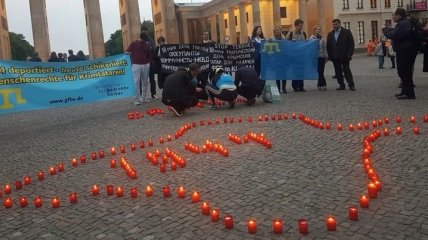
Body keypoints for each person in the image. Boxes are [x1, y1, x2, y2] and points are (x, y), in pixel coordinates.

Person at [383, 8, 418, 99]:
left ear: (399, 15)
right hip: (404, 50)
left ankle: (409, 93)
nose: (392, 17)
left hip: (406, 51)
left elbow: (394, 35)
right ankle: (405, 91)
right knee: (403, 72)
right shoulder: (403, 23)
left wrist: (385, 30)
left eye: (393, 15)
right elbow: (395, 33)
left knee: (405, 72)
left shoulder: (403, 24)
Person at [327, 18, 356, 91]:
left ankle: (351, 85)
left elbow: (351, 44)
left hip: (345, 56)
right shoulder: (330, 34)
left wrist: (349, 55)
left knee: (347, 71)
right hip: (335, 56)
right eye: (333, 24)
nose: (334, 26)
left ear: (339, 24)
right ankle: (341, 84)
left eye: (336, 24)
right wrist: (330, 56)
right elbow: (328, 46)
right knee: (338, 72)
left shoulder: (346, 32)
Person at [126, 32, 152, 105]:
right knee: (136, 82)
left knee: (145, 82)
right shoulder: (133, 43)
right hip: (136, 65)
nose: (145, 41)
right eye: (145, 39)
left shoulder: (146, 45)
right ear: (142, 38)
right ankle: (136, 99)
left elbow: (149, 55)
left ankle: (143, 98)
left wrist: (148, 63)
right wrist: (128, 53)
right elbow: (127, 51)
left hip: (145, 64)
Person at [285, 19, 307, 92]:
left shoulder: (303, 33)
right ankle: (295, 86)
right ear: (296, 26)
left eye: (302, 25)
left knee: (301, 70)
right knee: (294, 71)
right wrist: (291, 42)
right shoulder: (290, 34)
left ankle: (301, 86)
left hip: (301, 56)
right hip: (293, 56)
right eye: (300, 25)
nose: (301, 27)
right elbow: (285, 44)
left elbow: (306, 44)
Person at [196, 31, 215, 100]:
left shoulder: (213, 43)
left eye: (208, 34)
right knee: (204, 80)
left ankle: (213, 93)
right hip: (204, 65)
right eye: (205, 35)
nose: (207, 36)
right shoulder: (199, 44)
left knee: (213, 79)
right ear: (202, 36)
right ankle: (204, 95)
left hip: (212, 64)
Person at [310, 25, 328, 91]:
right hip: (315, 57)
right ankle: (323, 84)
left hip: (322, 56)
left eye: (320, 29)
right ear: (314, 30)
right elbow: (310, 48)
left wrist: (326, 56)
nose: (319, 30)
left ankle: (320, 85)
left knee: (321, 71)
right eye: (318, 29)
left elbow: (324, 48)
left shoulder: (322, 38)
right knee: (319, 72)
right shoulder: (312, 38)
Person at [272, 26, 287, 93]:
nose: (278, 31)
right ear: (274, 32)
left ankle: (284, 88)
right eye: (277, 30)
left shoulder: (284, 38)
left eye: (279, 30)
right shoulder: (272, 39)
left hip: (283, 58)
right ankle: (278, 88)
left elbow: (287, 46)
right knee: (277, 74)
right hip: (276, 59)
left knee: (284, 74)